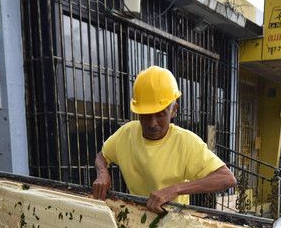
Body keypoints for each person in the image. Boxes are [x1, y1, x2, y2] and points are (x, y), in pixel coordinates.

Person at [91, 66, 236, 213]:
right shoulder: (126, 133)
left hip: (172, 218)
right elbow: (102, 156)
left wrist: (175, 189)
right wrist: (102, 172)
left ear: (174, 110)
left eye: (160, 115)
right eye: (146, 115)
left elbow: (226, 178)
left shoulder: (186, 142)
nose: (152, 123)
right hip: (137, 214)